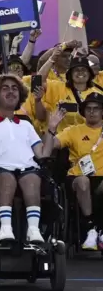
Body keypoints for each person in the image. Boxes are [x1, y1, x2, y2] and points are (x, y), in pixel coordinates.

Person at [0, 74, 45, 244]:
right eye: (5, 88)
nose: (11, 91)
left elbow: (41, 154)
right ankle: (6, 227)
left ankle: (33, 229)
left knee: (32, 179)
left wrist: (51, 130)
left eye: (14, 88)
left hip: (26, 168)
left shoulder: (26, 125)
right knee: (7, 180)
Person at [42, 93, 103, 250]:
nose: (92, 112)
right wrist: (51, 128)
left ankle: (100, 229)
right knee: (83, 181)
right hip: (78, 178)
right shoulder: (73, 130)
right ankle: (90, 229)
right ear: (83, 111)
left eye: (96, 109)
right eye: (88, 108)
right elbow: (47, 150)